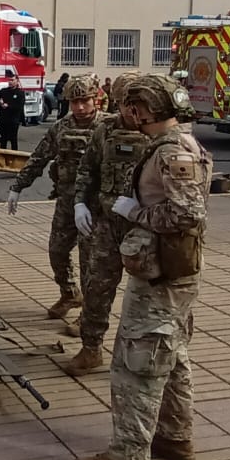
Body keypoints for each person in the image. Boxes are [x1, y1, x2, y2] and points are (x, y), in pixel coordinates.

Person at [71, 75, 211, 460]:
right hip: (173, 272)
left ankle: (128, 459)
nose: (124, 113)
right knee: (173, 356)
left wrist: (136, 213)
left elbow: (188, 214)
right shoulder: (183, 145)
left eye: (129, 106)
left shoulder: (171, 152)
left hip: (161, 276)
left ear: (139, 109)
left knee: (139, 363)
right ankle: (174, 437)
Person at [62, 72, 148, 376]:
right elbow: (87, 169)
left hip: (144, 228)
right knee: (96, 287)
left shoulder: (161, 134)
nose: (133, 112)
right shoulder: (105, 129)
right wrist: (80, 203)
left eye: (139, 104)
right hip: (105, 223)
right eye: (128, 104)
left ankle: (143, 355)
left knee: (147, 294)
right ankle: (91, 348)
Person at [7, 75, 107, 319]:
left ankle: (88, 317)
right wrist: (18, 186)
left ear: (96, 99)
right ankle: (70, 293)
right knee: (57, 251)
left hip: (96, 208)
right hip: (67, 202)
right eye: (74, 102)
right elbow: (39, 157)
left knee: (90, 263)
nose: (80, 107)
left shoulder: (108, 128)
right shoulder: (61, 127)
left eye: (84, 101)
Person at [0, 71, 27, 150]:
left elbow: (19, 106)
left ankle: (14, 156)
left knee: (13, 139)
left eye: (12, 80)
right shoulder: (3, 91)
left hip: (13, 120)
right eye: (9, 80)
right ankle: (2, 156)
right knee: (3, 139)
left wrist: (8, 106)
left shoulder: (20, 93)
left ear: (17, 81)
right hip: (3, 120)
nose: (10, 82)